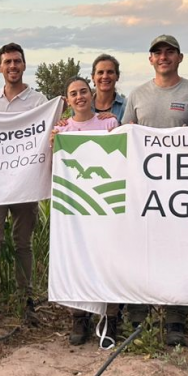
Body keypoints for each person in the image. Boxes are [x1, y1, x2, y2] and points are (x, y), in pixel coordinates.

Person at [120, 34, 188, 346]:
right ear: (150, 59)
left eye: (169, 52)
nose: (163, 57)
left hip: (181, 190)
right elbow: (124, 139)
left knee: (177, 253)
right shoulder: (137, 95)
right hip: (143, 191)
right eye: (157, 53)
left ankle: (175, 320)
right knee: (139, 251)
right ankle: (138, 318)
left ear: (180, 58)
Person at [0, 42, 52, 327]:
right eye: (7, 62)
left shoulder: (38, 101)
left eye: (17, 61)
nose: (12, 66)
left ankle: (27, 299)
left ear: (24, 65)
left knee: (23, 243)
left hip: (25, 184)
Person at [52, 77, 120, 346]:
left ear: (91, 94)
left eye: (83, 91)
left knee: (108, 261)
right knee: (76, 258)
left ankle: (111, 316)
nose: (79, 97)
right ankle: (79, 315)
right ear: (67, 100)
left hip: (106, 205)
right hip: (74, 207)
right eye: (73, 94)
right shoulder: (62, 129)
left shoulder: (109, 123)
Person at [91, 54, 126, 121]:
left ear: (117, 76)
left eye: (110, 72)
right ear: (93, 77)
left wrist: (117, 124)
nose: (105, 76)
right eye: (100, 72)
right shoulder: (81, 107)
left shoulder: (127, 107)